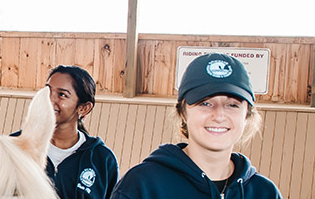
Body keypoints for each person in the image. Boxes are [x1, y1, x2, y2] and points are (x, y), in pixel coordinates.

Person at [111, 53, 282, 199]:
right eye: (205, 103)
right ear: (183, 112)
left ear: (247, 115)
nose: (219, 115)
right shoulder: (141, 186)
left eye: (232, 105)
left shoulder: (264, 192)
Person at [13, 65, 118, 199]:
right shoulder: (16, 146)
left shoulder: (102, 160)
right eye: (47, 92)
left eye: (62, 95)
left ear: (83, 108)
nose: (50, 100)